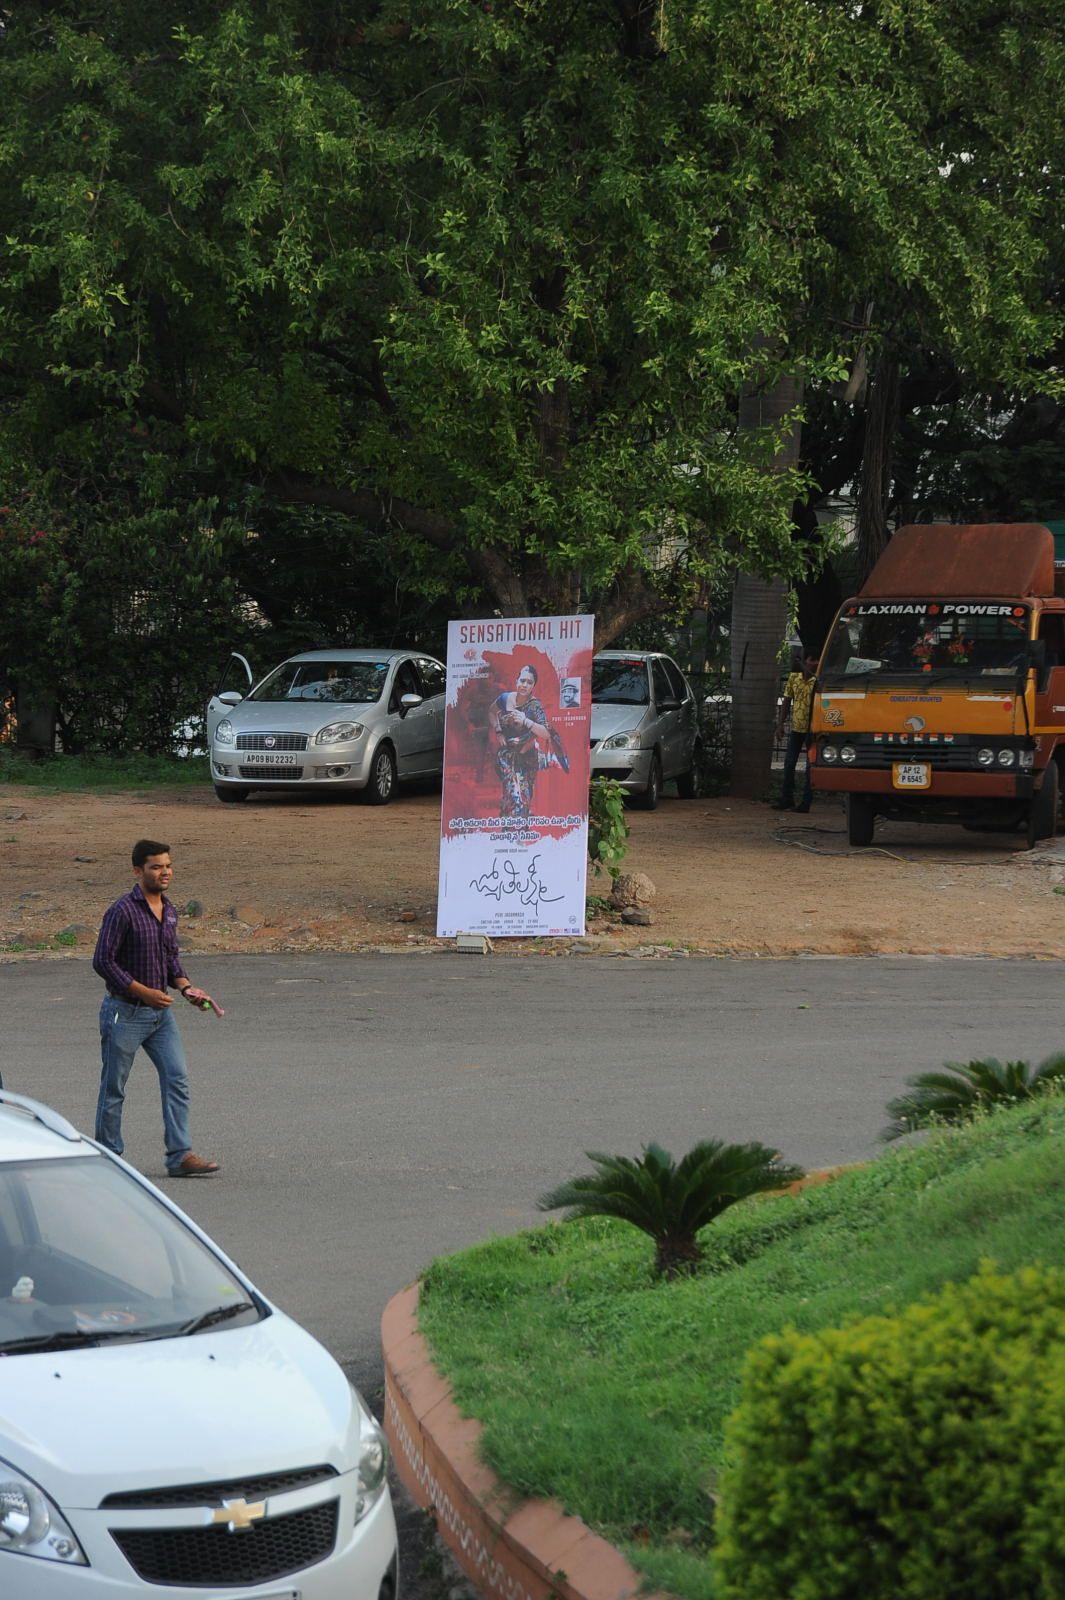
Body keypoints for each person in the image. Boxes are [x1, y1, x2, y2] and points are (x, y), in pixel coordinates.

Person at [92, 840, 222, 1177]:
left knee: (177, 1079)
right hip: (125, 1013)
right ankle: (109, 1159)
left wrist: (186, 988)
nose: (164, 872)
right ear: (138, 871)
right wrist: (142, 992)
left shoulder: (170, 910)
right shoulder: (122, 910)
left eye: (167, 866)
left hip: (160, 1016)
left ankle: (180, 1156)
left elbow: (170, 959)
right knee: (114, 1087)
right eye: (155, 866)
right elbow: (102, 961)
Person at [489, 665, 568, 817]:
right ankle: (508, 830)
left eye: (529, 682)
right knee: (512, 792)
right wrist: (498, 731)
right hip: (506, 756)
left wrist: (526, 721)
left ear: (533, 686)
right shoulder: (505, 699)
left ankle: (520, 831)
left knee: (524, 794)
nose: (525, 685)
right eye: (522, 680)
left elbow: (546, 734)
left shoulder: (534, 706)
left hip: (527, 757)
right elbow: (491, 713)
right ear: (516, 680)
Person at [773, 651, 819, 813]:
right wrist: (780, 724)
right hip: (797, 727)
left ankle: (806, 802)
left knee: (810, 766)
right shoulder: (794, 678)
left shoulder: (818, 681)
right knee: (789, 763)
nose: (815, 663)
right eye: (812, 660)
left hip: (813, 729)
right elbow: (786, 701)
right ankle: (787, 799)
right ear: (805, 661)